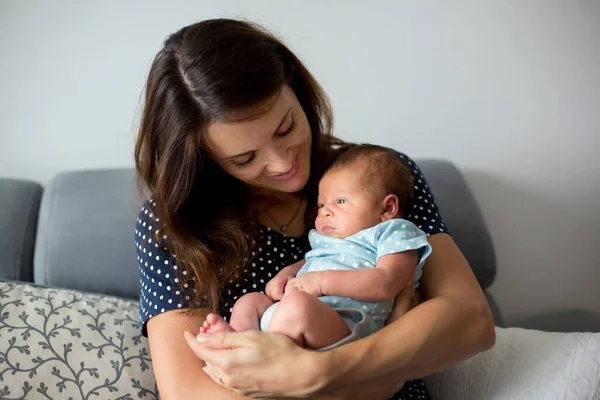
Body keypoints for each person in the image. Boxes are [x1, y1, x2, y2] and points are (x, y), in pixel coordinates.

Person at [134, 18, 495, 400]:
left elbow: (472, 323)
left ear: (294, 85)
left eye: (286, 128)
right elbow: (188, 391)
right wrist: (378, 380)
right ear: (205, 158)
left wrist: (322, 370)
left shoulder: (375, 181)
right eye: (245, 158)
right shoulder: (176, 222)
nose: (280, 163)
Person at [199, 145, 432, 352]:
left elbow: (387, 283)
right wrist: (287, 274)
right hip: (293, 314)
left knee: (298, 305)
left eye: (340, 201)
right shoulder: (326, 240)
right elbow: (310, 261)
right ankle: (241, 345)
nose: (325, 211)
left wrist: (321, 283)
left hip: (347, 326)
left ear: (387, 208)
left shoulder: (394, 232)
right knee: (249, 302)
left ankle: (261, 357)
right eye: (322, 204)